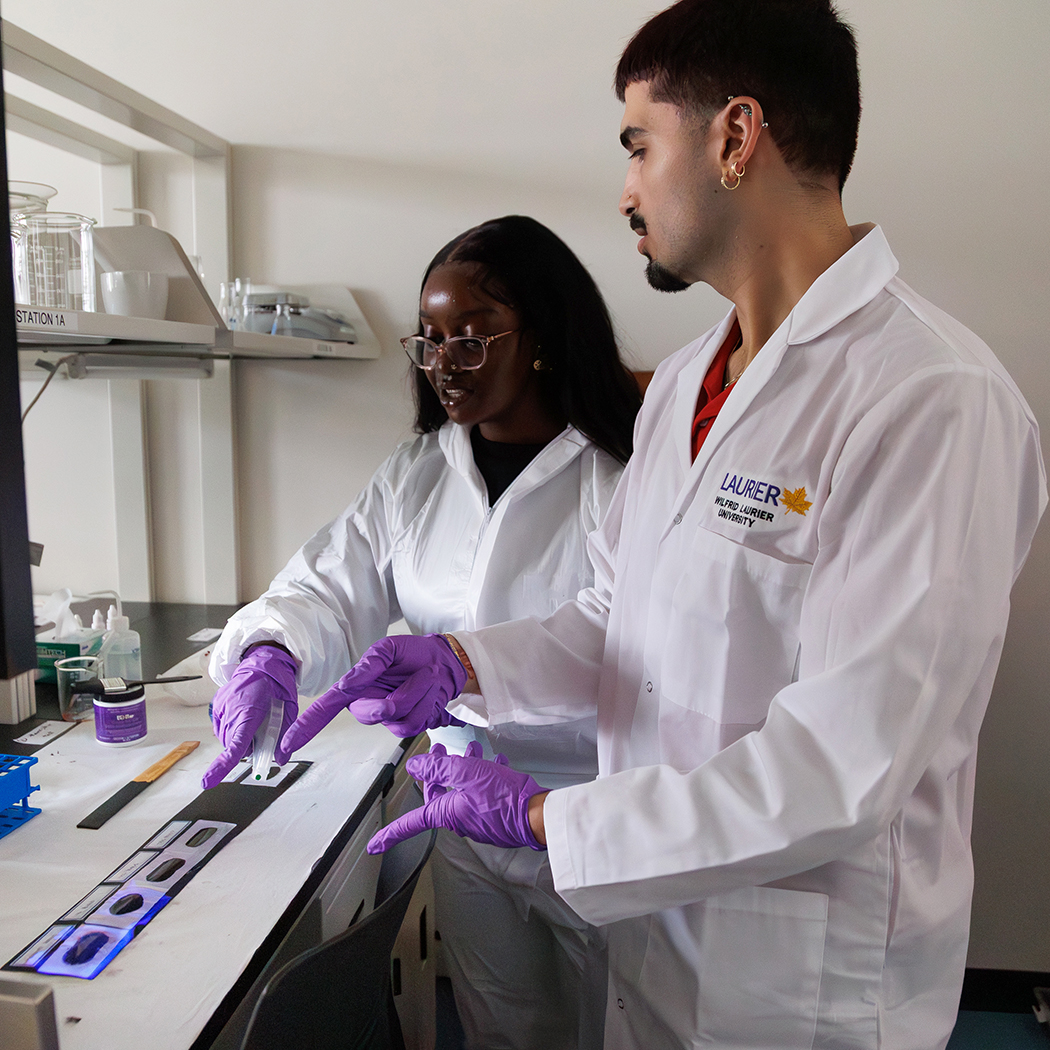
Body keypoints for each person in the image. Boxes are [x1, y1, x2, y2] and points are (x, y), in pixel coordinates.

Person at [279, 2, 1048, 1048]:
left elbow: (842, 768)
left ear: (735, 138)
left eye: (640, 145)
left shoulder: (930, 398)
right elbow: (614, 619)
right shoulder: (690, 381)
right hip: (655, 948)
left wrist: (548, 820)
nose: (627, 188)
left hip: (797, 995)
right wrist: (462, 663)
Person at [202, 214, 642, 1050]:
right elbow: (327, 587)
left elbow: (630, 643)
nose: (443, 364)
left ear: (541, 337)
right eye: (431, 339)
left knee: (614, 1032)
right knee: (499, 1029)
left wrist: (464, 665)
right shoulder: (417, 473)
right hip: (467, 809)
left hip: (596, 813)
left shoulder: (621, 473)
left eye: (472, 339)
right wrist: (270, 649)